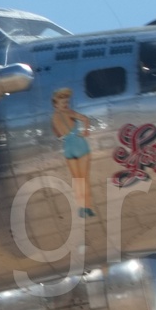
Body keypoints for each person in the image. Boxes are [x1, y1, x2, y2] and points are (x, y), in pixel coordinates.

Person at [52, 87, 97, 217]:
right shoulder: (69, 113)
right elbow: (84, 118)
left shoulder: (54, 117)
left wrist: (62, 136)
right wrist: (86, 131)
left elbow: (57, 133)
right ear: (56, 104)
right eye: (63, 103)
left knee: (78, 180)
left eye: (66, 103)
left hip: (68, 147)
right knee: (84, 179)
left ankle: (82, 208)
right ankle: (86, 207)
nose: (66, 105)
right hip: (79, 145)